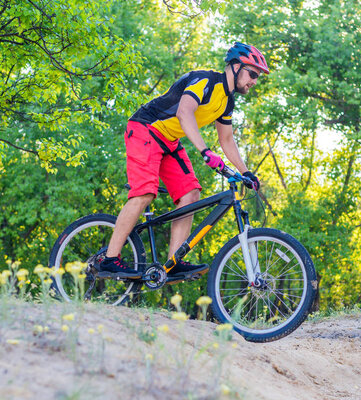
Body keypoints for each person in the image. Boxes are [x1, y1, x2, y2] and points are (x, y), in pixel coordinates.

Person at [99, 42, 269, 280]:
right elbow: (184, 112)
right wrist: (204, 151)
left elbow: (227, 139)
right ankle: (109, 259)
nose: (254, 80)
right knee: (144, 193)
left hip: (169, 140)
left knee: (190, 195)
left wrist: (246, 172)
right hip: (145, 128)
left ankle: (173, 263)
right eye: (252, 73)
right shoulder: (206, 81)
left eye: (257, 77)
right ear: (235, 66)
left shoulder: (227, 101)